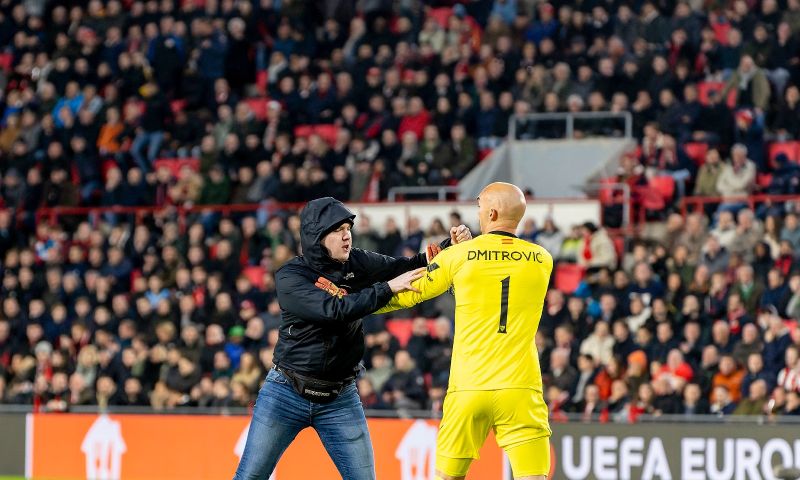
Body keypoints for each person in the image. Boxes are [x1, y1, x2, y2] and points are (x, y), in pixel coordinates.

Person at [233, 197, 471, 480]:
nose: (347, 235)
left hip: (340, 397)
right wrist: (386, 289)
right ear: (317, 236)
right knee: (249, 477)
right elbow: (333, 310)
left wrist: (448, 247)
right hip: (285, 393)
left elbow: (408, 265)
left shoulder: (356, 260)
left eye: (348, 227)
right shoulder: (291, 276)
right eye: (338, 230)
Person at [376, 182, 553, 480]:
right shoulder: (542, 259)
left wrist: (354, 302)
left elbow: (408, 293)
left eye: (480, 206)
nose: (479, 212)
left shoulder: (458, 257)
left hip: (469, 387)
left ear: (493, 212)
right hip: (521, 388)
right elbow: (495, 279)